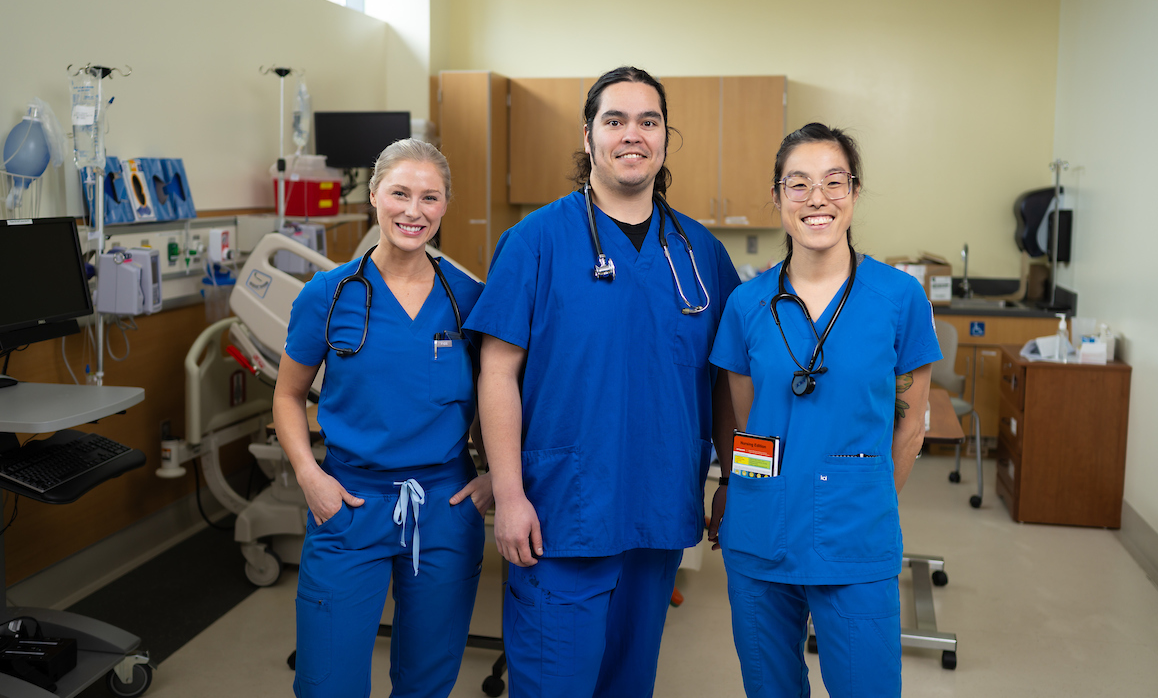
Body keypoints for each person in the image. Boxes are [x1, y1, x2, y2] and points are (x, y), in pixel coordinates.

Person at [465, 66, 741, 698]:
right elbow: (497, 372)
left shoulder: (701, 254)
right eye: (614, 120)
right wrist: (509, 495)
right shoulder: (534, 241)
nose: (632, 134)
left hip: (660, 508)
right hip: (563, 513)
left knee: (630, 684)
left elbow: (727, 385)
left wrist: (734, 479)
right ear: (588, 137)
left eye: (649, 121)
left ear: (667, 138)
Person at [707, 123, 941, 698]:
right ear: (778, 197)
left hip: (857, 536)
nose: (818, 199)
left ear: (855, 193)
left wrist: (868, 498)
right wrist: (746, 492)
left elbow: (910, 426)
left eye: (834, 182)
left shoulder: (899, 298)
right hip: (761, 534)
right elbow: (744, 422)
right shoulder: (747, 304)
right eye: (799, 183)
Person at [274, 138, 491, 698]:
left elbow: (507, 394)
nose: (413, 211)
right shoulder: (329, 294)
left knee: (427, 680)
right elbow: (288, 396)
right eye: (399, 193)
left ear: (444, 207)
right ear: (374, 196)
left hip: (443, 505)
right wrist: (309, 477)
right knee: (326, 683)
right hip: (348, 504)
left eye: (429, 197)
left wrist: (496, 478)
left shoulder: (469, 298)